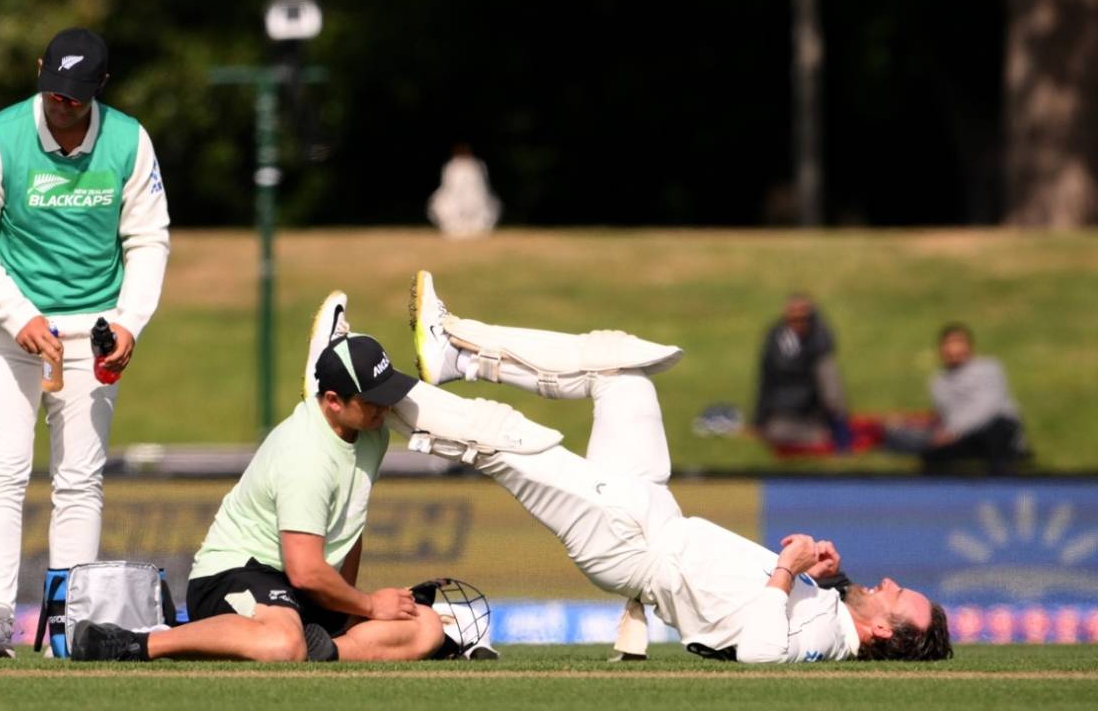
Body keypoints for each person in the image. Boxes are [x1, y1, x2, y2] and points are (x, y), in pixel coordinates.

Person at [396, 271, 952, 663]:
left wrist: (787, 567)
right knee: (621, 368)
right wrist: (828, 576)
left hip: (632, 547)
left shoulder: (824, 642)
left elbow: (760, 654)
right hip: (656, 514)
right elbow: (800, 612)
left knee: (506, 438)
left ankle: (361, 387)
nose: (892, 582)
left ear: (881, 629)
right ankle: (458, 353)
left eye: (898, 596)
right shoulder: (830, 615)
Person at [0, 28, 170, 658]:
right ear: (41, 70)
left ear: (99, 88)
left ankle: (71, 621)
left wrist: (129, 321)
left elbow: (148, 238)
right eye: (54, 90)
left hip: (91, 333)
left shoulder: (129, 140)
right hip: (4, 330)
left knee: (79, 480)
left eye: (75, 97)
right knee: (2, 470)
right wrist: (19, 316)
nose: (62, 105)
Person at [71, 293, 445, 663]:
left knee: (427, 626)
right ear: (333, 400)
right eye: (372, 400)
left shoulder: (371, 433)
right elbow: (305, 571)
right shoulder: (306, 455)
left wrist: (348, 612)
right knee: (282, 643)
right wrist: (368, 604)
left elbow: (350, 526)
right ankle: (137, 644)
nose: (385, 407)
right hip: (236, 574)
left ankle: (322, 650)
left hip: (300, 589)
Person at [753, 294, 858, 455]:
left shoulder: (819, 342)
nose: (798, 324)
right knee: (776, 432)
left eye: (803, 318)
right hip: (784, 412)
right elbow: (766, 380)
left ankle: (839, 433)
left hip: (813, 410)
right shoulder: (775, 340)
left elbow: (831, 392)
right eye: (793, 319)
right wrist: (759, 418)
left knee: (828, 374)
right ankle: (821, 436)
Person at [920, 323, 1028, 475]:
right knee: (931, 451)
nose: (954, 349)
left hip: (992, 431)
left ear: (969, 346)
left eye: (958, 342)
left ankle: (1003, 485)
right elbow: (945, 415)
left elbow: (986, 408)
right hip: (962, 436)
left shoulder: (988, 368)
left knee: (998, 429)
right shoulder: (939, 381)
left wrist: (953, 431)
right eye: (949, 344)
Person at [426, 143, 501, 239]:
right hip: (455, 196)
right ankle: (455, 229)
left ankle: (476, 229)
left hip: (475, 196)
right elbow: (449, 185)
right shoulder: (453, 166)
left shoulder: (476, 165)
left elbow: (480, 185)